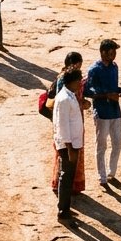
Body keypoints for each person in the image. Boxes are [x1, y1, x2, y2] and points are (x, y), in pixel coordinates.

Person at [84, 39, 121, 186]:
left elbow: (113, 87)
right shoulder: (94, 70)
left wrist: (119, 91)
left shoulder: (114, 67)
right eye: (111, 52)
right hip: (102, 112)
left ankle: (111, 173)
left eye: (114, 52)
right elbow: (88, 92)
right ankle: (102, 176)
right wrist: (107, 95)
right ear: (103, 52)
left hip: (115, 111)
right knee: (101, 145)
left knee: (117, 143)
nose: (114, 55)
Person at [49, 51, 90, 195]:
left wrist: (83, 102)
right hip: (66, 119)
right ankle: (64, 186)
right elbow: (63, 104)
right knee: (66, 153)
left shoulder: (75, 78)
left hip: (75, 117)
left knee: (76, 150)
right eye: (77, 64)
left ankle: (71, 184)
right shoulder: (64, 80)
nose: (79, 67)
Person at [53, 69, 85, 221]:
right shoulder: (64, 99)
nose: (80, 83)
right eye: (78, 80)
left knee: (68, 176)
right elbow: (63, 126)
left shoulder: (69, 95)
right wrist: (70, 147)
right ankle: (62, 211)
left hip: (73, 143)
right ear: (71, 81)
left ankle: (65, 208)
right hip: (68, 145)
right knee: (66, 176)